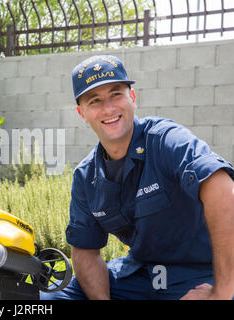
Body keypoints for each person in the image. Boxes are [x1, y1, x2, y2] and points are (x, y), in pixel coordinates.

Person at [41, 55, 234, 300]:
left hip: (200, 272)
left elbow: (223, 190)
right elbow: (85, 250)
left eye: (116, 94)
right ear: (82, 113)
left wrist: (222, 292)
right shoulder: (86, 176)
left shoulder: (166, 140)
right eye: (95, 101)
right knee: (47, 297)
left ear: (132, 97)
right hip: (140, 275)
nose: (109, 108)